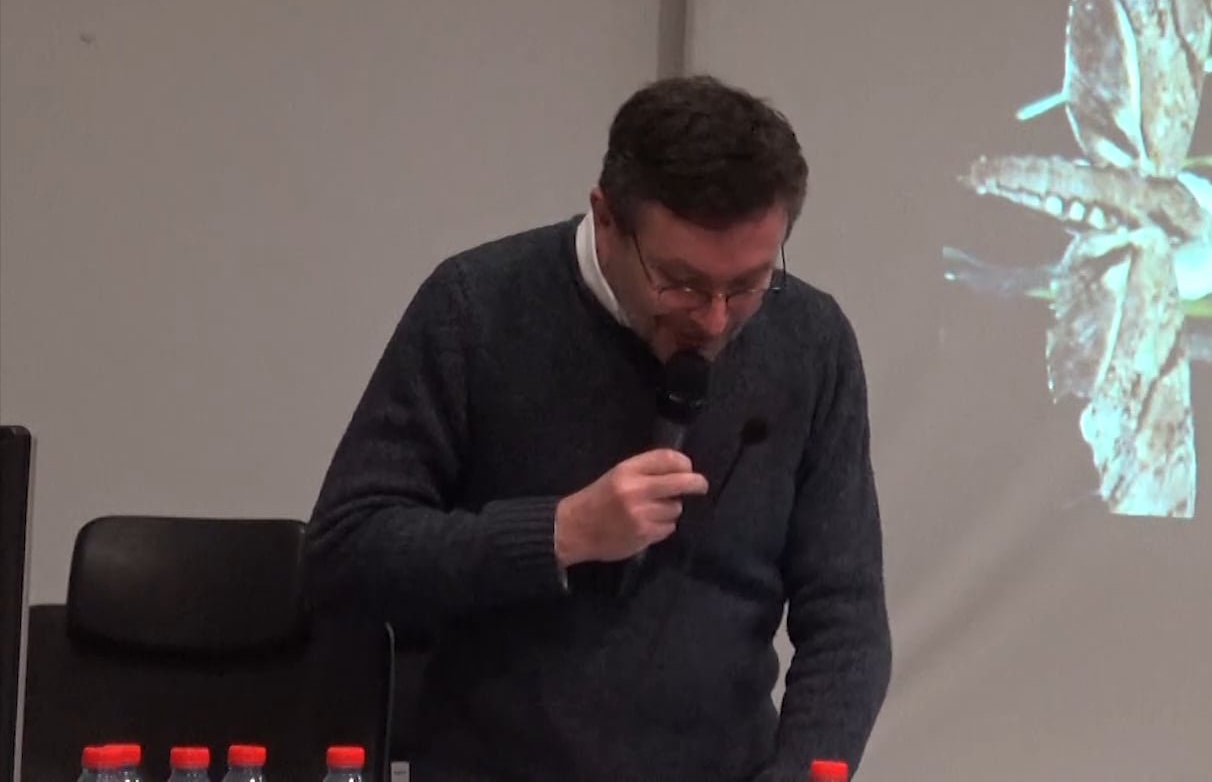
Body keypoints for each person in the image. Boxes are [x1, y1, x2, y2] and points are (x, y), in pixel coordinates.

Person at [305, 75, 891, 780]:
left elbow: (847, 618)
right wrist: (561, 532)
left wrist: (799, 774)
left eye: (747, 285)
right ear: (606, 219)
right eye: (681, 282)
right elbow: (346, 555)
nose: (714, 320)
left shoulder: (811, 341)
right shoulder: (476, 308)